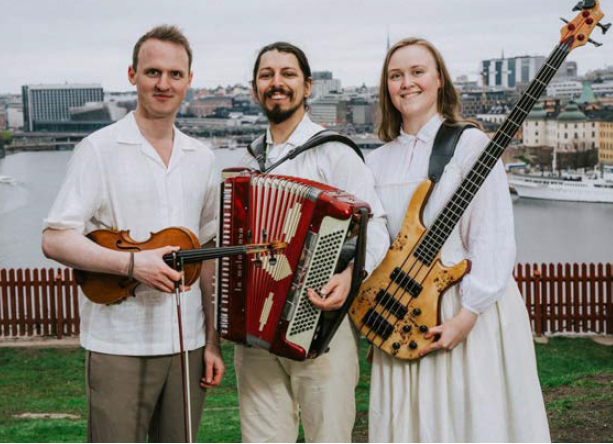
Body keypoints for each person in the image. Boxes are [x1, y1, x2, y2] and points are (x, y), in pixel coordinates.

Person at [41, 25, 224, 442]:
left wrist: (212, 341)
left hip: (188, 343)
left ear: (189, 81)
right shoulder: (98, 149)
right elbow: (55, 238)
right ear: (132, 75)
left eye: (175, 74)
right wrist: (132, 264)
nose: (164, 84)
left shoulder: (203, 157)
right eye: (153, 72)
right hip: (118, 342)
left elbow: (207, 255)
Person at [365, 37, 551, 442]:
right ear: (386, 88)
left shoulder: (470, 144)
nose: (406, 83)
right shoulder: (376, 161)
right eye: (395, 76)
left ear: (440, 81)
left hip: (464, 305)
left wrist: (467, 315)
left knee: (473, 421)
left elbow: (492, 233)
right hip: (403, 310)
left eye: (417, 72)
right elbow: (376, 246)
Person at [233, 42, 389, 443]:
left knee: (328, 437)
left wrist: (351, 277)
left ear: (307, 87)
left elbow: (376, 228)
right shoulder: (247, 163)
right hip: (256, 334)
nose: (276, 82)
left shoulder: (335, 153)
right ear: (254, 88)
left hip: (321, 325)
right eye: (266, 75)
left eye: (288, 74)